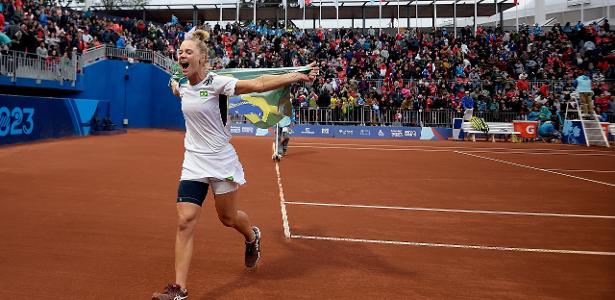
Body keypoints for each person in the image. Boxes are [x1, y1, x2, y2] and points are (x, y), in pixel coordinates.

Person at [153, 30, 318, 300]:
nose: (181, 55)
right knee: (185, 220)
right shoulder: (181, 83)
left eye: (188, 52)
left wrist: (296, 75)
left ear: (202, 58)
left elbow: (258, 83)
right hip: (193, 160)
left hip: (220, 159)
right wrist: (174, 86)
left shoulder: (218, 83)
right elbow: (178, 89)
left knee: (228, 218)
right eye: (180, 51)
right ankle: (179, 289)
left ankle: (252, 235)